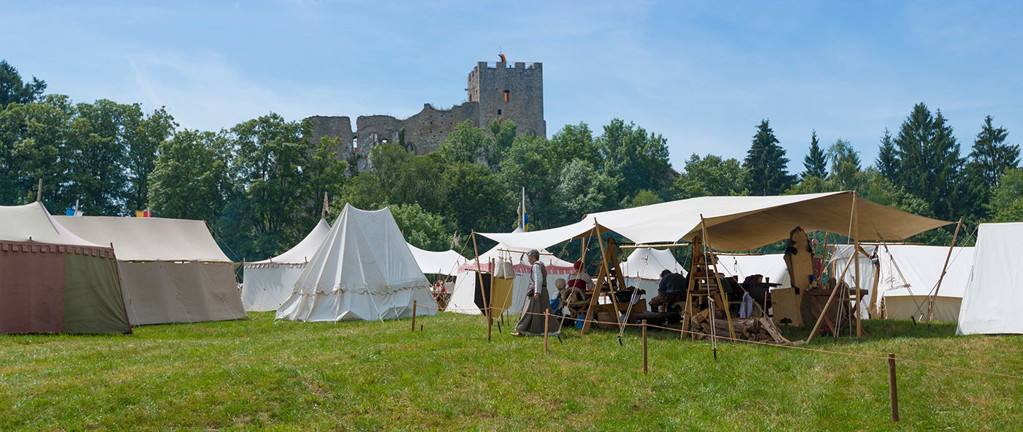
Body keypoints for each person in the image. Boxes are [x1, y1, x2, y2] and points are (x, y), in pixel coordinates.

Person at [513, 249, 561, 336]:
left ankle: (521, 331)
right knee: (543, 312)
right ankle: (548, 331)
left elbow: (538, 279)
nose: (528, 260)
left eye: (529, 258)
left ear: (533, 257)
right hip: (542, 291)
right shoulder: (540, 265)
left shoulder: (536, 266)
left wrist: (537, 292)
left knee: (529, 311)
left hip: (539, 291)